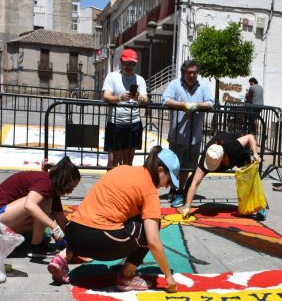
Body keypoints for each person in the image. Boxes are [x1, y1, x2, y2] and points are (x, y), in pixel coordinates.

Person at [47, 146, 180, 293]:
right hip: (101, 241)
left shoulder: (122, 169)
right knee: (151, 224)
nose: (167, 186)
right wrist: (168, 276)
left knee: (96, 217)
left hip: (73, 234)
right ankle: (127, 277)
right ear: (160, 170)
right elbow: (153, 241)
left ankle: (61, 258)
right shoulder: (149, 190)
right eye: (169, 180)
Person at [0, 156, 80, 257]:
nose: (71, 191)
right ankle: (36, 247)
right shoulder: (45, 183)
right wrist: (54, 227)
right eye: (71, 187)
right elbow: (29, 205)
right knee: (43, 204)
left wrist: (74, 240)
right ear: (64, 181)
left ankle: (5, 239)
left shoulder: (52, 189)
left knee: (48, 217)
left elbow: (61, 220)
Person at [161, 59, 214, 207]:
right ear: (183, 73)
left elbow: (210, 102)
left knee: (187, 166)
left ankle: (180, 190)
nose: (192, 75)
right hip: (177, 134)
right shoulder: (174, 84)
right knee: (174, 165)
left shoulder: (203, 85)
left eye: (195, 72)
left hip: (194, 136)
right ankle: (174, 188)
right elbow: (165, 100)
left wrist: (196, 105)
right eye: (189, 72)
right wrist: (183, 105)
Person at [177, 132, 265, 219]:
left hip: (239, 155)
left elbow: (250, 137)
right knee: (194, 177)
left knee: (249, 177)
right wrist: (188, 206)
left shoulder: (233, 147)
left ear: (222, 159)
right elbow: (195, 183)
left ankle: (260, 206)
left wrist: (255, 153)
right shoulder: (208, 155)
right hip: (223, 156)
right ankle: (184, 198)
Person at [102, 49, 148, 166]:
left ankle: (124, 184)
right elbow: (106, 96)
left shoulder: (140, 79)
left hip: (133, 124)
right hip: (115, 123)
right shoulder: (112, 76)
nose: (129, 66)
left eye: (132, 64)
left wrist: (138, 98)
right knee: (113, 160)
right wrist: (120, 98)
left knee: (128, 162)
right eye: (127, 63)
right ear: (121, 62)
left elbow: (145, 100)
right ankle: (111, 184)